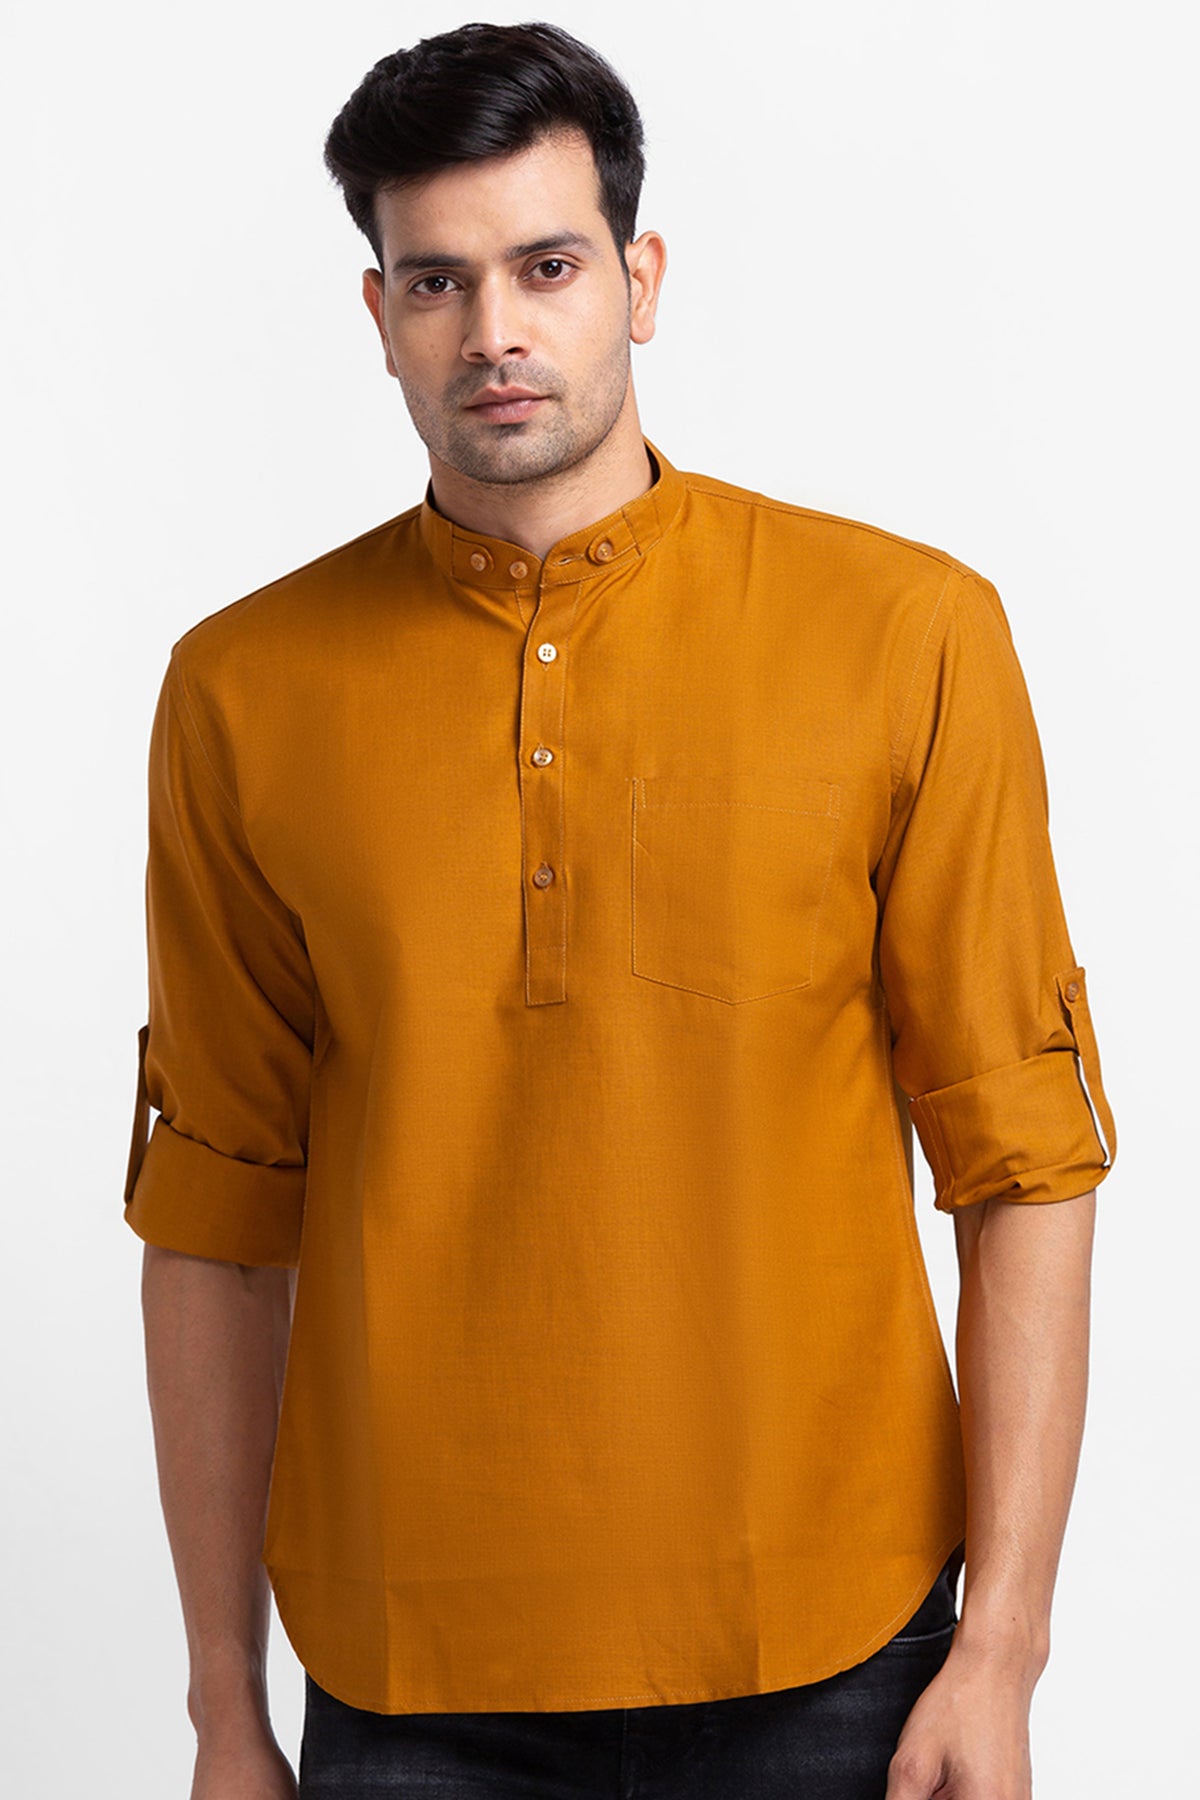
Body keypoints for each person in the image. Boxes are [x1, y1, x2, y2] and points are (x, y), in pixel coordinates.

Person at [122, 21, 1116, 1800]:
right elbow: (215, 1212)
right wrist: (220, 1707)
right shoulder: (242, 690)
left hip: (839, 1647)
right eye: (438, 281)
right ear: (378, 317)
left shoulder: (904, 633)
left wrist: (1005, 1650)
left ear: (639, 282)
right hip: (404, 1670)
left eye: (548, 266)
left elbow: (1023, 1157)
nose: (493, 331)